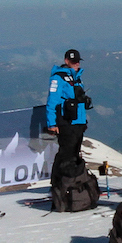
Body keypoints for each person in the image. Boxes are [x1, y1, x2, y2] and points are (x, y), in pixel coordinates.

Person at [43, 49, 90, 180]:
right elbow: (52, 102)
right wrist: (51, 123)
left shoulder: (77, 78)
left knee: (75, 153)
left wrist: (83, 121)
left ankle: (73, 181)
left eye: (78, 62)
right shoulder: (58, 78)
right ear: (66, 61)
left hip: (78, 122)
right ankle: (59, 182)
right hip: (66, 121)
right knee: (66, 154)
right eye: (73, 61)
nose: (76, 64)